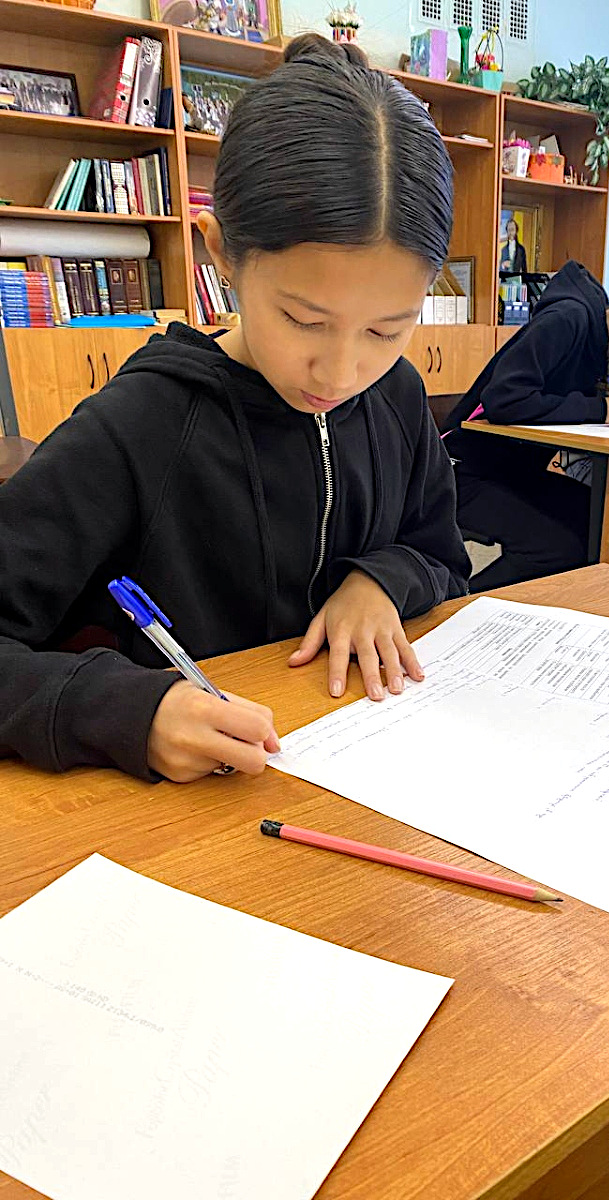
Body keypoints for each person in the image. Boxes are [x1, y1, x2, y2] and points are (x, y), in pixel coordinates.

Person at [0, 34, 469, 784]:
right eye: (304, 320)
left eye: (387, 330)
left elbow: (442, 555)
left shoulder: (398, 394)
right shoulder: (142, 424)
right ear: (220, 255)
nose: (343, 372)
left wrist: (381, 578)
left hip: (370, 771)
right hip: (192, 810)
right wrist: (129, 711)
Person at [443, 265, 609, 591]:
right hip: (463, 470)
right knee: (557, 547)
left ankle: (549, 609)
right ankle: (460, 607)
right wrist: (598, 409)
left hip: (518, 469)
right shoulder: (566, 321)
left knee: (599, 522)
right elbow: (504, 400)